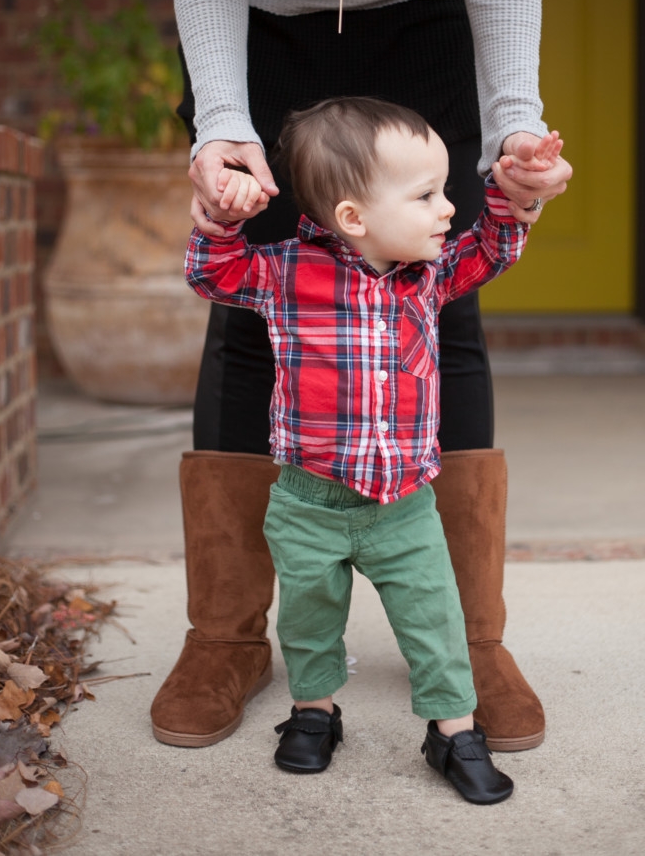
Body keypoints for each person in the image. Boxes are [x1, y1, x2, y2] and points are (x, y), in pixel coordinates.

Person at [140, 0, 573, 752]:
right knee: (257, 313)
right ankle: (228, 634)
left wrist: (517, 121)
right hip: (260, 16)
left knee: (440, 305)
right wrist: (221, 127)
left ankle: (471, 639)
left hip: (431, 14)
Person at [184, 97, 562, 801]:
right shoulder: (285, 273)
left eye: (445, 189)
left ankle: (453, 729)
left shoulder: (430, 275)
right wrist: (226, 221)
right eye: (426, 195)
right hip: (307, 500)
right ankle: (314, 710)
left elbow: (491, 248)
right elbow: (214, 276)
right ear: (354, 217)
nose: (449, 208)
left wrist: (516, 198)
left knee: (437, 618)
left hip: (404, 505)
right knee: (308, 617)